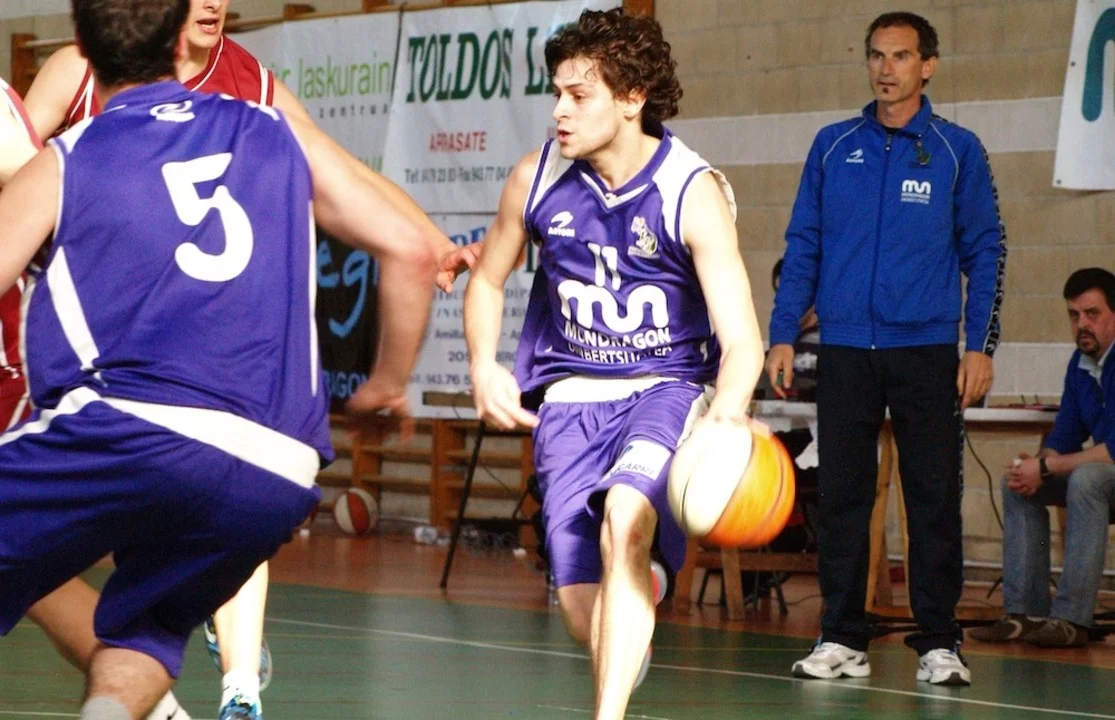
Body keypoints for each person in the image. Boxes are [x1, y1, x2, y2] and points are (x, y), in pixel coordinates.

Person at [21, 3, 477, 718]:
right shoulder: (251, 123)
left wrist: (432, 236)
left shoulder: (226, 98)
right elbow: (395, 239)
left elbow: (356, 187)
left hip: (145, 391)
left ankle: (238, 684)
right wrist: (388, 382)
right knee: (157, 607)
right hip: (259, 442)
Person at [464, 9, 764, 719]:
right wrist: (482, 365)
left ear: (632, 97)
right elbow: (487, 280)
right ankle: (633, 612)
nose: (559, 112)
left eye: (579, 95)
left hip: (665, 389)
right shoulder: (535, 178)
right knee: (581, 612)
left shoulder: (690, 190)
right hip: (569, 399)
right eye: (557, 94)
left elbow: (743, 340)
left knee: (625, 517)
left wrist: (724, 417)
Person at [767, 11, 1007, 687]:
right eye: (876, 55)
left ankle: (940, 642)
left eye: (900, 56)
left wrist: (980, 346)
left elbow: (987, 250)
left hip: (926, 350)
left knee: (931, 498)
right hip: (844, 350)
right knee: (843, 498)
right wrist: (781, 332)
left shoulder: (957, 149)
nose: (885, 68)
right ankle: (841, 638)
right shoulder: (832, 145)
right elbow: (803, 244)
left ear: (927, 66)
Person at [970, 268, 1115, 648]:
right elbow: (1065, 434)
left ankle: (1072, 619)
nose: (1082, 325)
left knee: (1087, 479)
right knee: (1016, 482)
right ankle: (1024, 613)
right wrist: (1037, 466)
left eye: (1092, 314)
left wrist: (1048, 466)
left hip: (1103, 477)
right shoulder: (1080, 364)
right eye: (1074, 315)